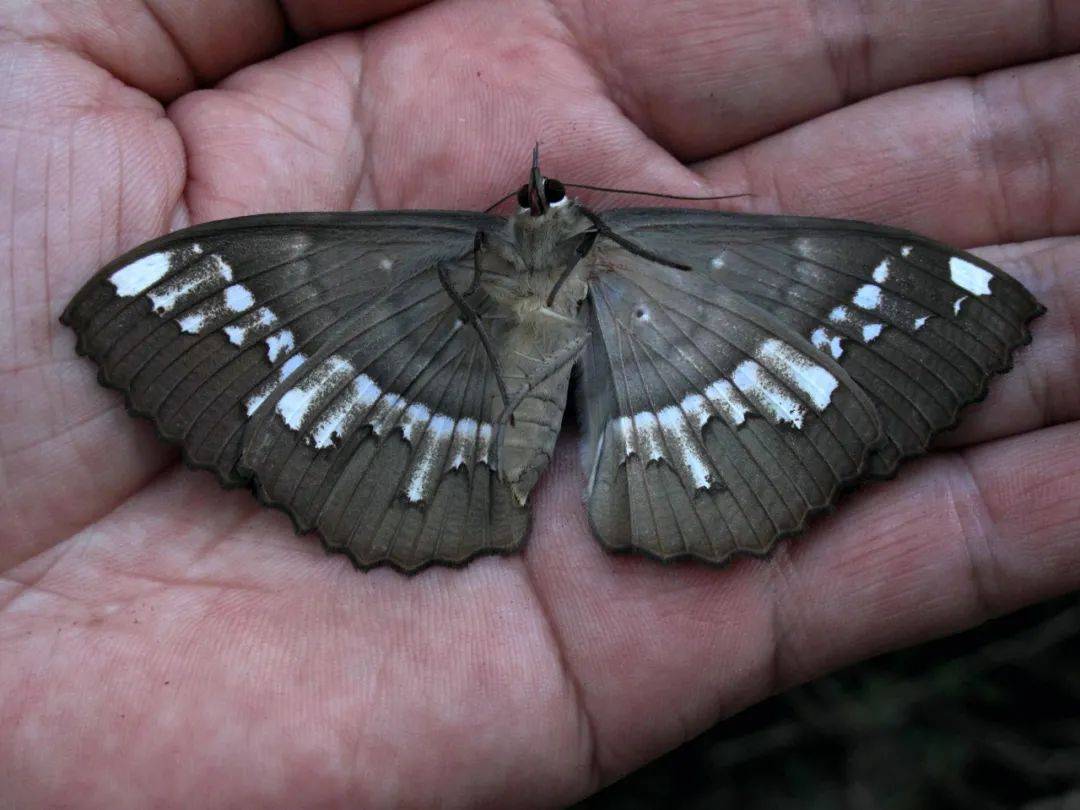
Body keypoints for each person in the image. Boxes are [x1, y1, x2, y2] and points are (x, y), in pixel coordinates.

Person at [1, 1, 1077, 806]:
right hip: (449, 414)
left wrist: (945, 306)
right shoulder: (361, 260)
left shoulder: (696, 255)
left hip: (469, 415)